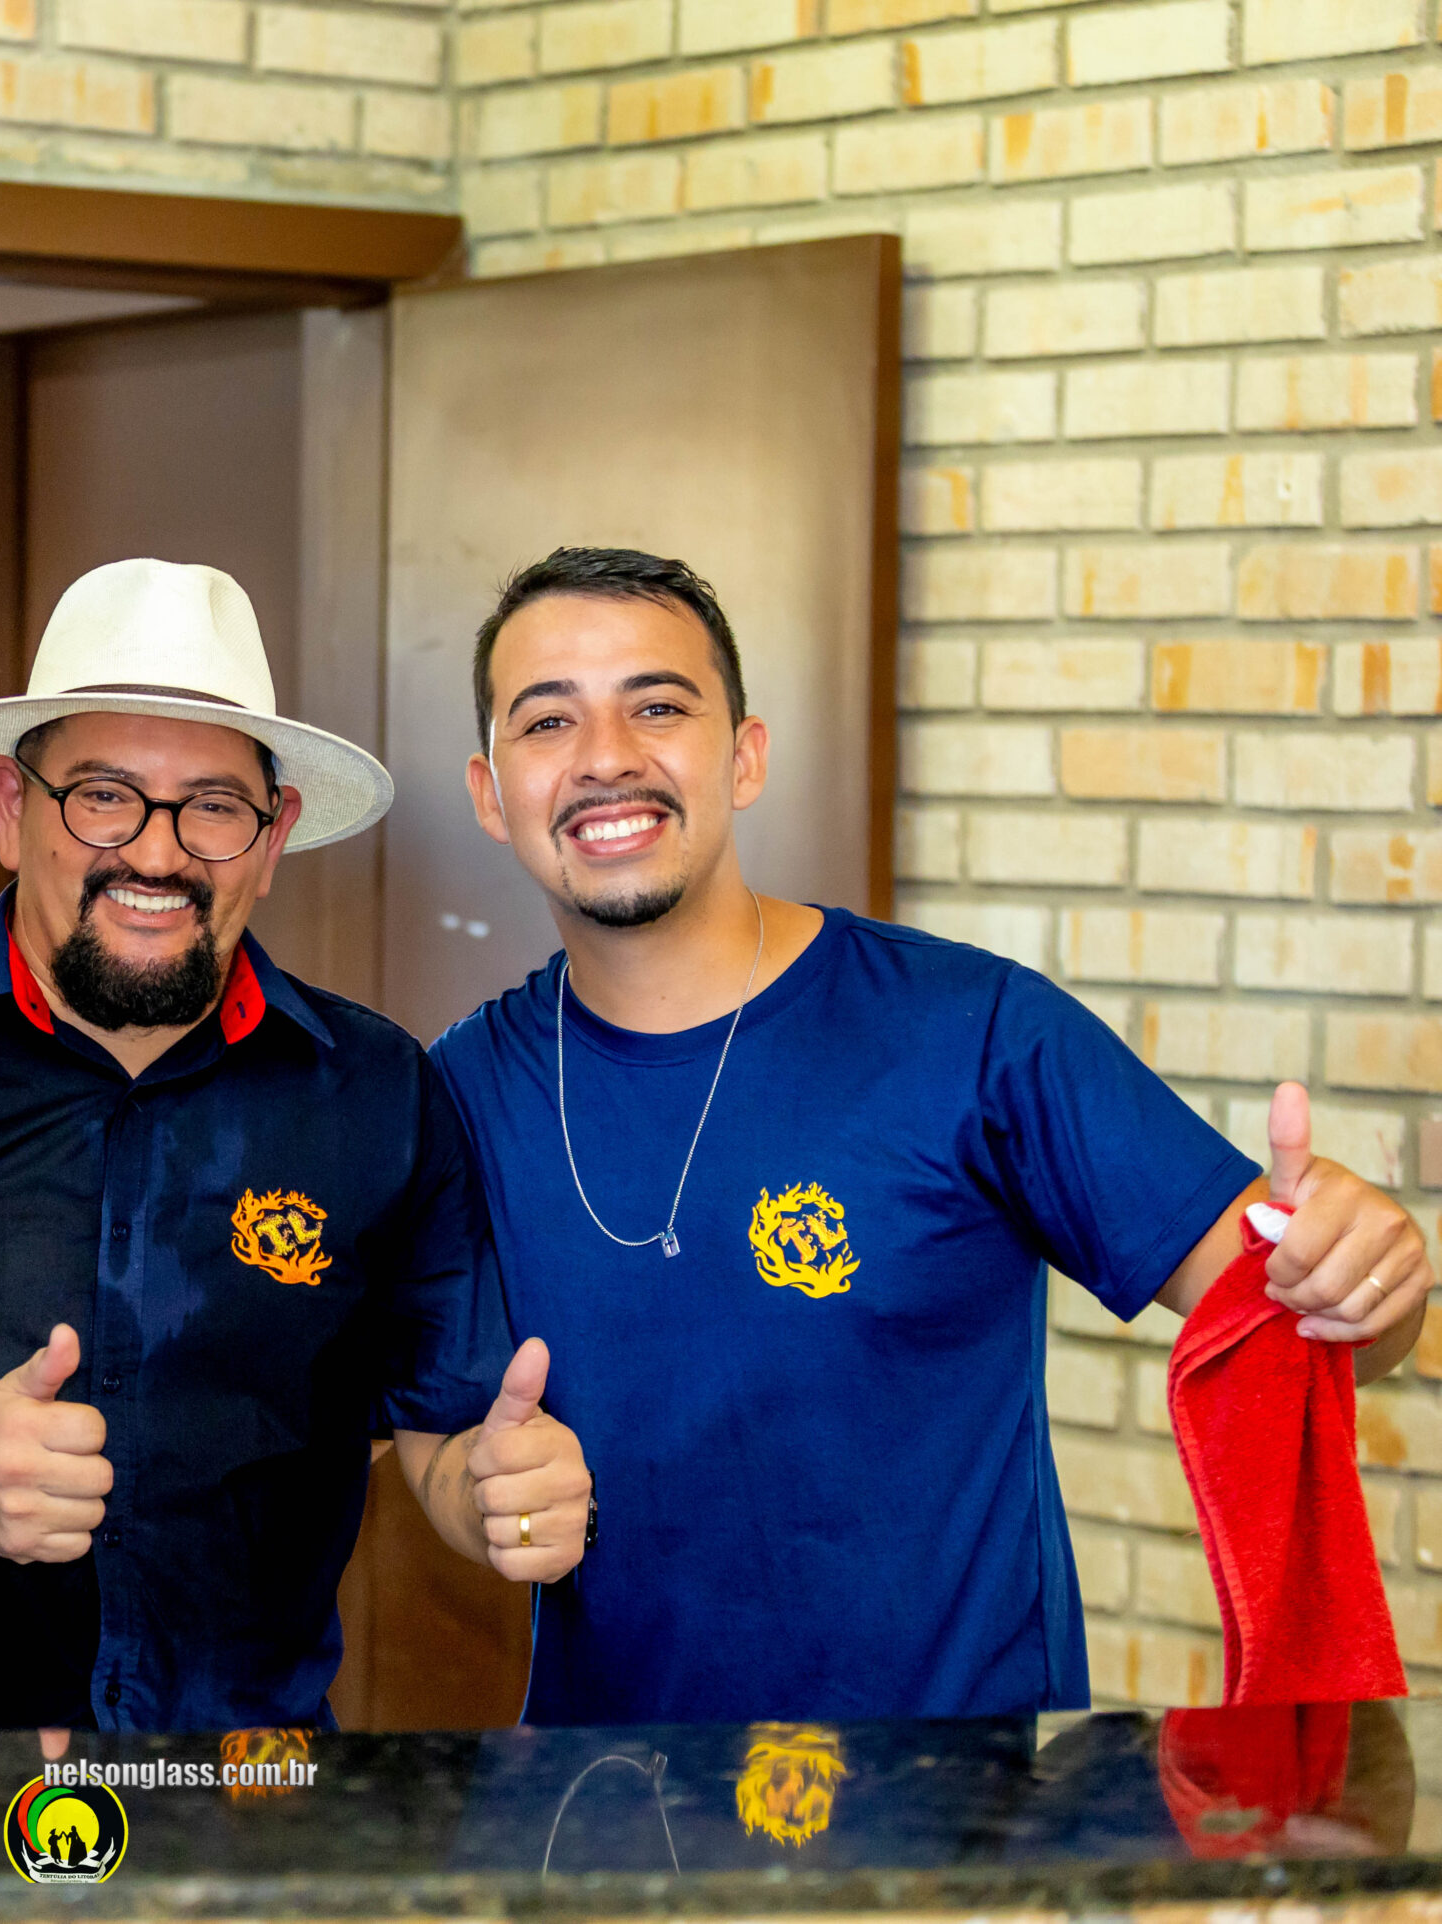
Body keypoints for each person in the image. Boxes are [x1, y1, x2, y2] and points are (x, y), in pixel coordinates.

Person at [431, 546, 1433, 1725]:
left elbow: (1298, 1327)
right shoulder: (455, 1093)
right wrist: (479, 1495)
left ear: (743, 756)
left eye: (658, 706)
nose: (606, 756)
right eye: (548, 721)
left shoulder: (974, 1031)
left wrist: (1367, 1278)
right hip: (615, 1802)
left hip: (964, 1800)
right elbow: (431, 1436)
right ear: (490, 792)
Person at [0, 558, 594, 1730]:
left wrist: (496, 1492)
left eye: (212, 805)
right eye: (103, 795)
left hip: (247, 1798)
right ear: (9, 808)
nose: (157, 855)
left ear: (272, 836)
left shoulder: (379, 1094)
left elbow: (436, 1440)